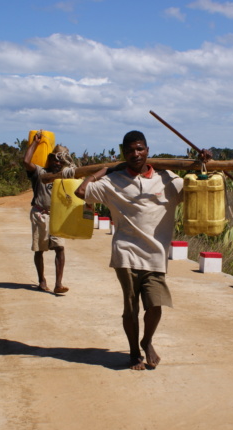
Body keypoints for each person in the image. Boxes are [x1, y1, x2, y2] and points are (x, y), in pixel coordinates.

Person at [75, 130, 211, 370]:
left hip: (156, 255)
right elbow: (81, 192)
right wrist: (103, 171)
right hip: (125, 252)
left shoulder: (168, 179)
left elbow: (200, 187)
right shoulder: (112, 182)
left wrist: (204, 163)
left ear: (148, 150)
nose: (135, 154)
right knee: (131, 307)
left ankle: (147, 341)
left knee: (155, 305)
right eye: (129, 150)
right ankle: (133, 352)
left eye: (139, 149)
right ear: (123, 153)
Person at [22, 130, 72, 294]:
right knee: (40, 249)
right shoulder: (39, 172)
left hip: (57, 216)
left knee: (60, 248)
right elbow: (26, 161)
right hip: (40, 214)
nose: (57, 163)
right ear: (49, 159)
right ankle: (42, 280)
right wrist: (35, 143)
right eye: (54, 159)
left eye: (61, 160)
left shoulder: (65, 176)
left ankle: (58, 283)